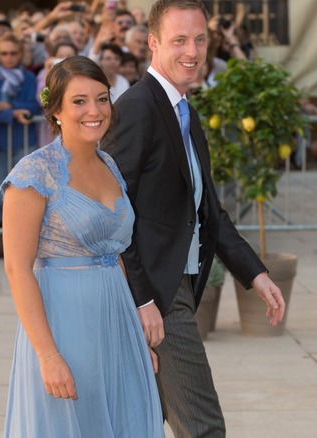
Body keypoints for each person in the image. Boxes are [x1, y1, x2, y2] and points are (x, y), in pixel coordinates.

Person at [101, 1, 286, 436]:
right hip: (160, 294)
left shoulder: (184, 108)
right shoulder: (140, 108)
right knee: (203, 427)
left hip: (177, 282)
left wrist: (254, 273)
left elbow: (208, 211)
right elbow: (113, 210)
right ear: (153, 43)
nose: (193, 50)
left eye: (200, 39)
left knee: (147, 421)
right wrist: (143, 300)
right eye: (180, 40)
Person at [2, 56, 163, 437]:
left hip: (118, 318)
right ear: (55, 110)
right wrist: (48, 355)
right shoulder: (33, 172)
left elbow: (116, 252)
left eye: (102, 99)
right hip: (65, 323)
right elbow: (17, 269)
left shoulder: (109, 164)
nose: (95, 110)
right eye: (79, 101)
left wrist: (136, 330)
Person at [0, 32, 41, 225]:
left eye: (13, 53)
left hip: (25, 140)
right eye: (4, 53)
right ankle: (9, 227)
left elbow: (33, 105)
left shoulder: (29, 76)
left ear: (20, 54)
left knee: (27, 187)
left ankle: (24, 227)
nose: (9, 57)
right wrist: (15, 112)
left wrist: (6, 107)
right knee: (2, 187)